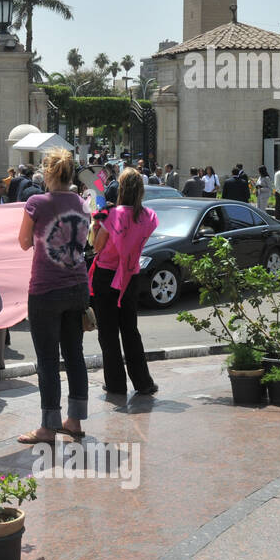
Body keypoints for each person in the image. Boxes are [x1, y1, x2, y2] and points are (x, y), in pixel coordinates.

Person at [17, 148, 89, 444]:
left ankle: (48, 426)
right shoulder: (84, 204)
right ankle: (74, 421)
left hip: (46, 289)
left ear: (47, 173)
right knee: (75, 354)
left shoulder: (37, 203)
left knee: (47, 359)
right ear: (71, 173)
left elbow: (23, 242)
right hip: (78, 286)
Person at [90, 169, 159, 397]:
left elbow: (97, 247)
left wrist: (97, 224)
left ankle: (116, 385)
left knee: (108, 333)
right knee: (130, 330)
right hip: (130, 275)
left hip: (106, 277)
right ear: (140, 190)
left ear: (120, 189)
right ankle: (143, 383)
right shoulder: (148, 216)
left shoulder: (110, 214)